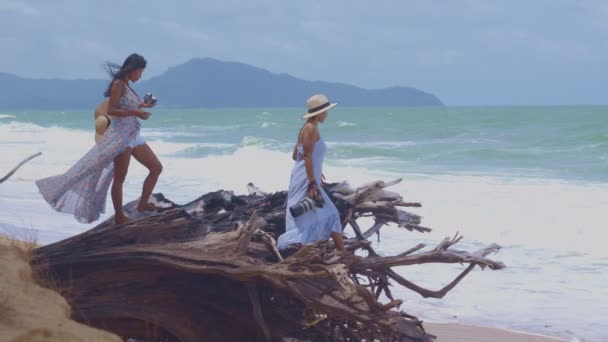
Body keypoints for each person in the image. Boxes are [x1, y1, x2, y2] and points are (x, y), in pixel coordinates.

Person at [36, 53, 162, 224]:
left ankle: (143, 204)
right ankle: (119, 216)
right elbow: (111, 110)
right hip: (121, 138)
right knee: (120, 178)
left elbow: (127, 105)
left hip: (133, 135)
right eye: (140, 71)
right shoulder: (118, 84)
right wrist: (136, 112)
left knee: (156, 168)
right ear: (132, 69)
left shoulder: (127, 86)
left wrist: (142, 106)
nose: (140, 75)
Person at [277, 94, 345, 252]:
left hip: (304, 176)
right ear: (318, 113)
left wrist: (316, 171)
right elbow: (306, 156)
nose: (327, 114)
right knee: (331, 213)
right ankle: (343, 254)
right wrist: (313, 182)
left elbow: (296, 155)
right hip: (306, 180)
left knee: (306, 215)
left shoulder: (306, 128)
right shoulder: (311, 129)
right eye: (326, 111)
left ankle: (300, 248)